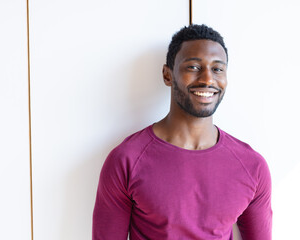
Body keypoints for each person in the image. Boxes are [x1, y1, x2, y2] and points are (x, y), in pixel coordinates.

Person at [92, 24, 272, 240]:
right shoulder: (126, 160)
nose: (207, 79)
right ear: (168, 75)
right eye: (194, 67)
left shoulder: (252, 166)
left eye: (217, 69)